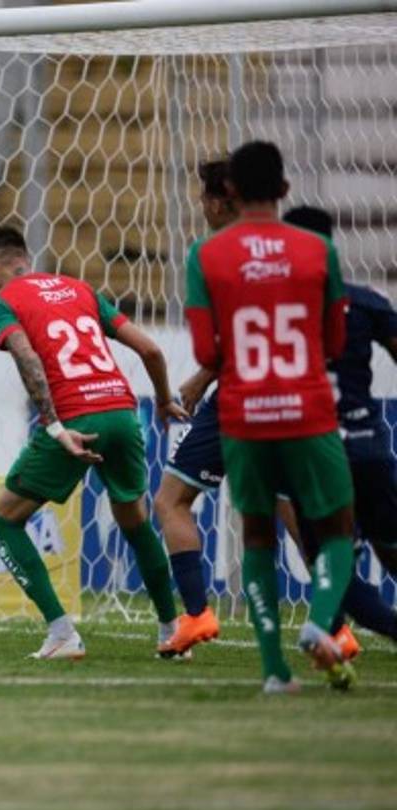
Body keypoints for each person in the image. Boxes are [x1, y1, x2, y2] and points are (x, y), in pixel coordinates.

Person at [185, 140, 356, 692]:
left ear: (229, 190)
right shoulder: (316, 250)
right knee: (336, 531)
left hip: (242, 414)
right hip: (307, 410)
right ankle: (318, 621)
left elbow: (207, 353)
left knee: (257, 536)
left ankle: (275, 674)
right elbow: (335, 340)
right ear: (284, 190)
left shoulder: (205, 256)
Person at [0, 225, 187, 659]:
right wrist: (165, 401)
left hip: (75, 417)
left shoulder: (2, 301)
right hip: (123, 412)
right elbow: (150, 350)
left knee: (4, 521)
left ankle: (62, 634)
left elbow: (27, 355)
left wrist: (54, 426)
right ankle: (173, 632)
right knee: (135, 521)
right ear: (26, 258)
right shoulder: (80, 289)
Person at [155, 160, 302, 657]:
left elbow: (217, 337)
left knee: (170, 501)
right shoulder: (297, 248)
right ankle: (336, 622)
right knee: (287, 504)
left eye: (203, 198)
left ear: (221, 201)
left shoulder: (210, 252)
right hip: (293, 389)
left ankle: (196, 615)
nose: (201, 207)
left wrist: (199, 378)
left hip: (238, 393)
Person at [280, 205, 397, 651]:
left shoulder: (279, 311)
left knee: (332, 560)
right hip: (368, 448)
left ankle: (383, 626)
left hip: (316, 453)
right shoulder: (366, 301)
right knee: (390, 542)